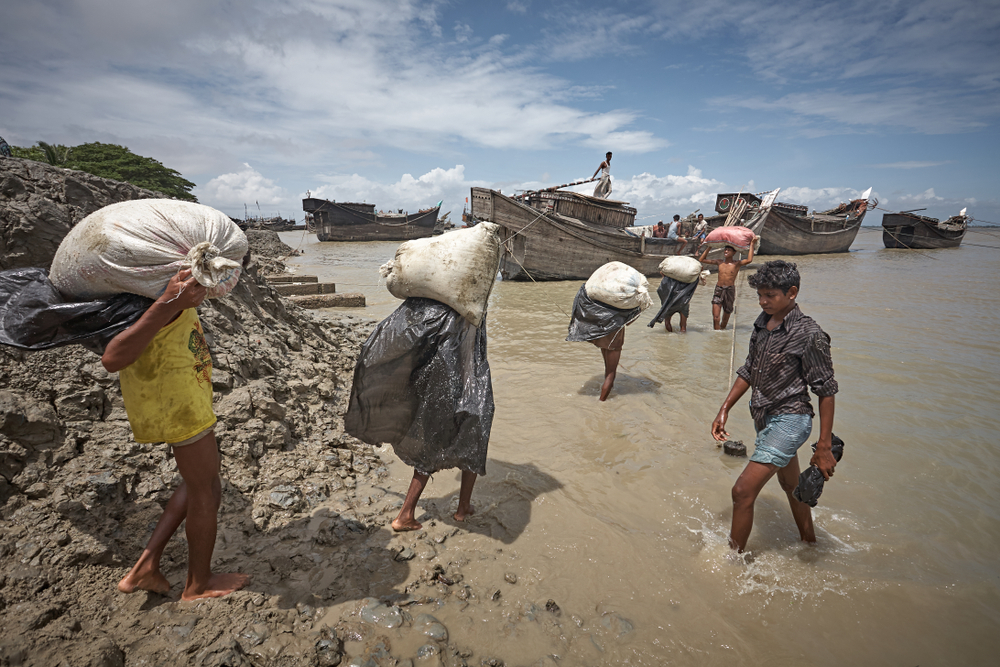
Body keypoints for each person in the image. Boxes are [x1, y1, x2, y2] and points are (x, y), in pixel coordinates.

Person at [107, 269, 249, 600]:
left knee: (199, 480)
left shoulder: (167, 297)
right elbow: (113, 358)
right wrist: (171, 301)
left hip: (185, 399)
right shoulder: (159, 301)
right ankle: (198, 584)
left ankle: (146, 566)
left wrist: (176, 300)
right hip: (178, 405)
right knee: (207, 490)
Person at [710, 260, 838, 552]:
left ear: (792, 292)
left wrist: (824, 445)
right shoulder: (762, 323)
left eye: (770, 295)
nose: (763, 301)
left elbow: (826, 390)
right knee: (792, 488)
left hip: (791, 419)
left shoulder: (810, 334)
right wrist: (724, 409)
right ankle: (810, 543)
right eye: (760, 295)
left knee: (742, 491)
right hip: (765, 417)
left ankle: (733, 563)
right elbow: (749, 369)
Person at [698, 238, 756, 330]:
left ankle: (722, 334)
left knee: (725, 317)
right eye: (725, 249)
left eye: (728, 250)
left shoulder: (736, 264)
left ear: (734, 253)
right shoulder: (719, 262)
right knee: (716, 318)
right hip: (719, 289)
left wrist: (752, 244)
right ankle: (716, 336)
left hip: (729, 290)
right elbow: (702, 259)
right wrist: (709, 247)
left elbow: (749, 260)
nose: (726, 251)